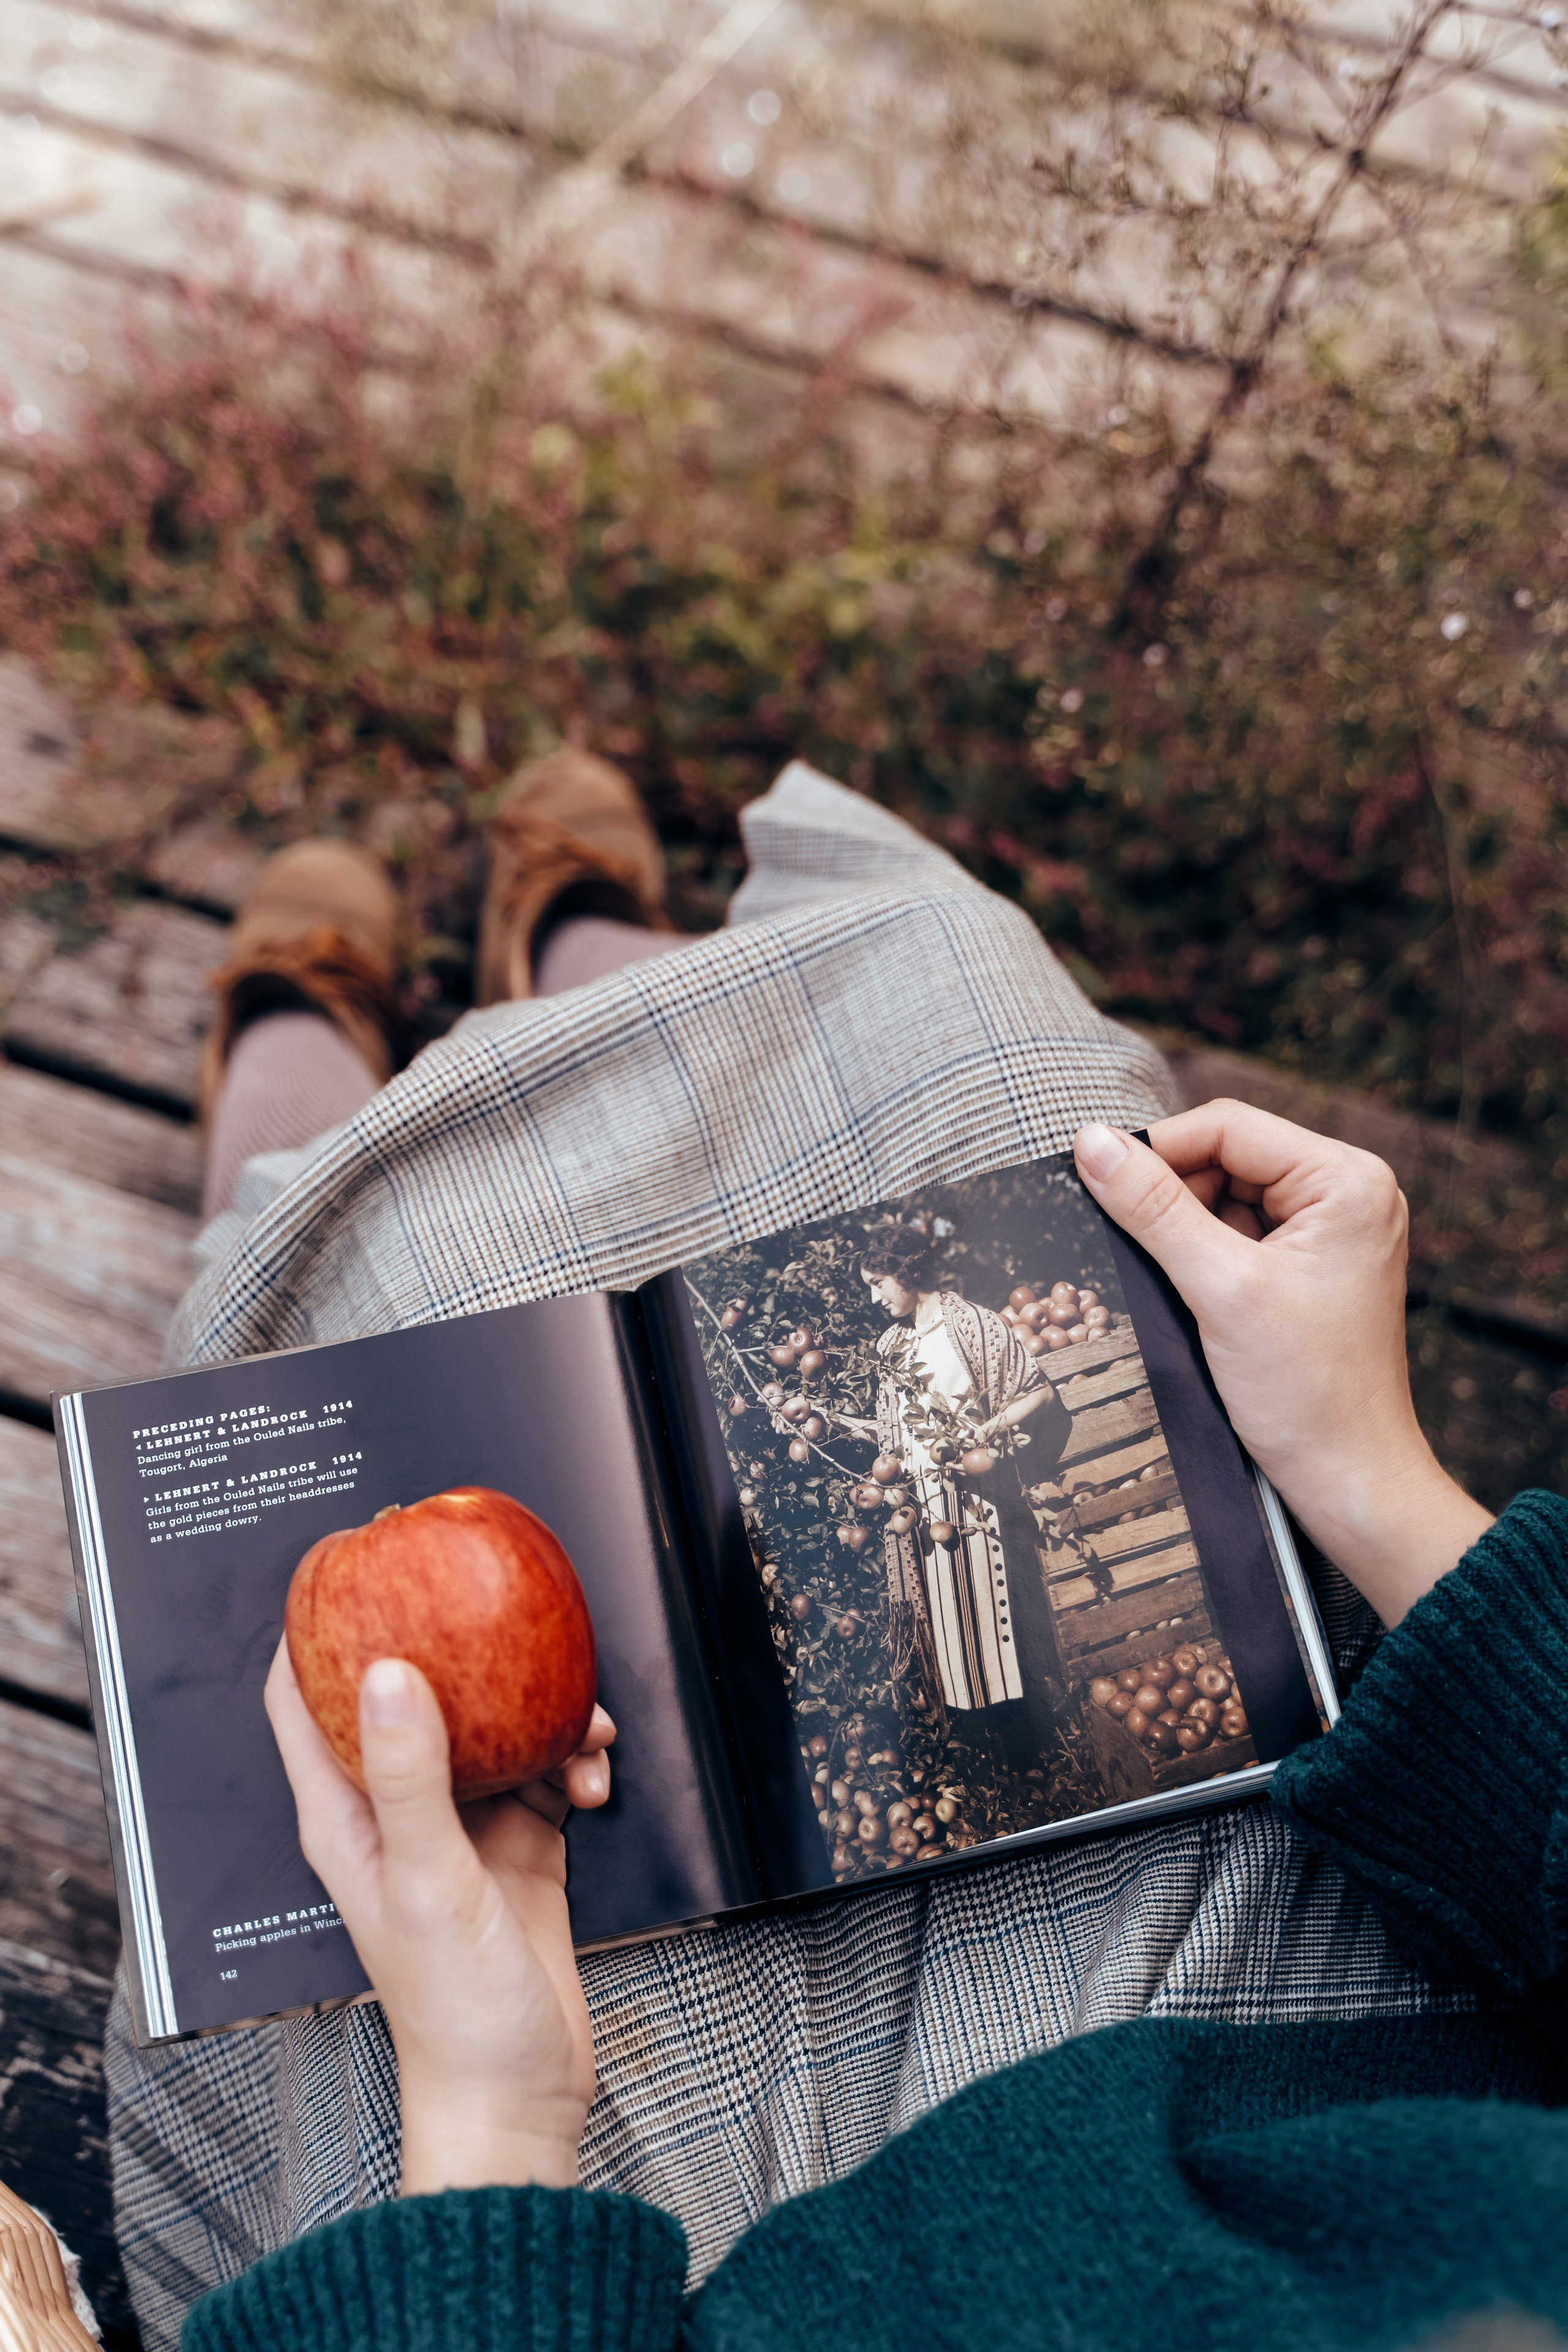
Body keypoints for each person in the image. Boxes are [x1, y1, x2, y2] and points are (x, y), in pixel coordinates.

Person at [102, 755, 1526, 2348]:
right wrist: (1370, 1474)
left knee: (352, 1314)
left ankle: (295, 1118)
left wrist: (495, 2123)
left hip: (740, 2261)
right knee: (987, 1051)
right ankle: (588, 962)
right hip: (1321, 2015)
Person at [842, 1231, 1071, 1756]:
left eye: (879, 1284)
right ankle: (974, 1738)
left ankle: (1023, 1738)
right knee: (945, 1616)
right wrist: (842, 1427)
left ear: (907, 1272)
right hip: (920, 1503)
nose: (875, 1298)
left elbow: (1038, 1390)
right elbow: (893, 1433)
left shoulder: (972, 1324)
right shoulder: (891, 1346)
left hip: (978, 1490)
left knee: (993, 1608)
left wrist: (983, 1434)